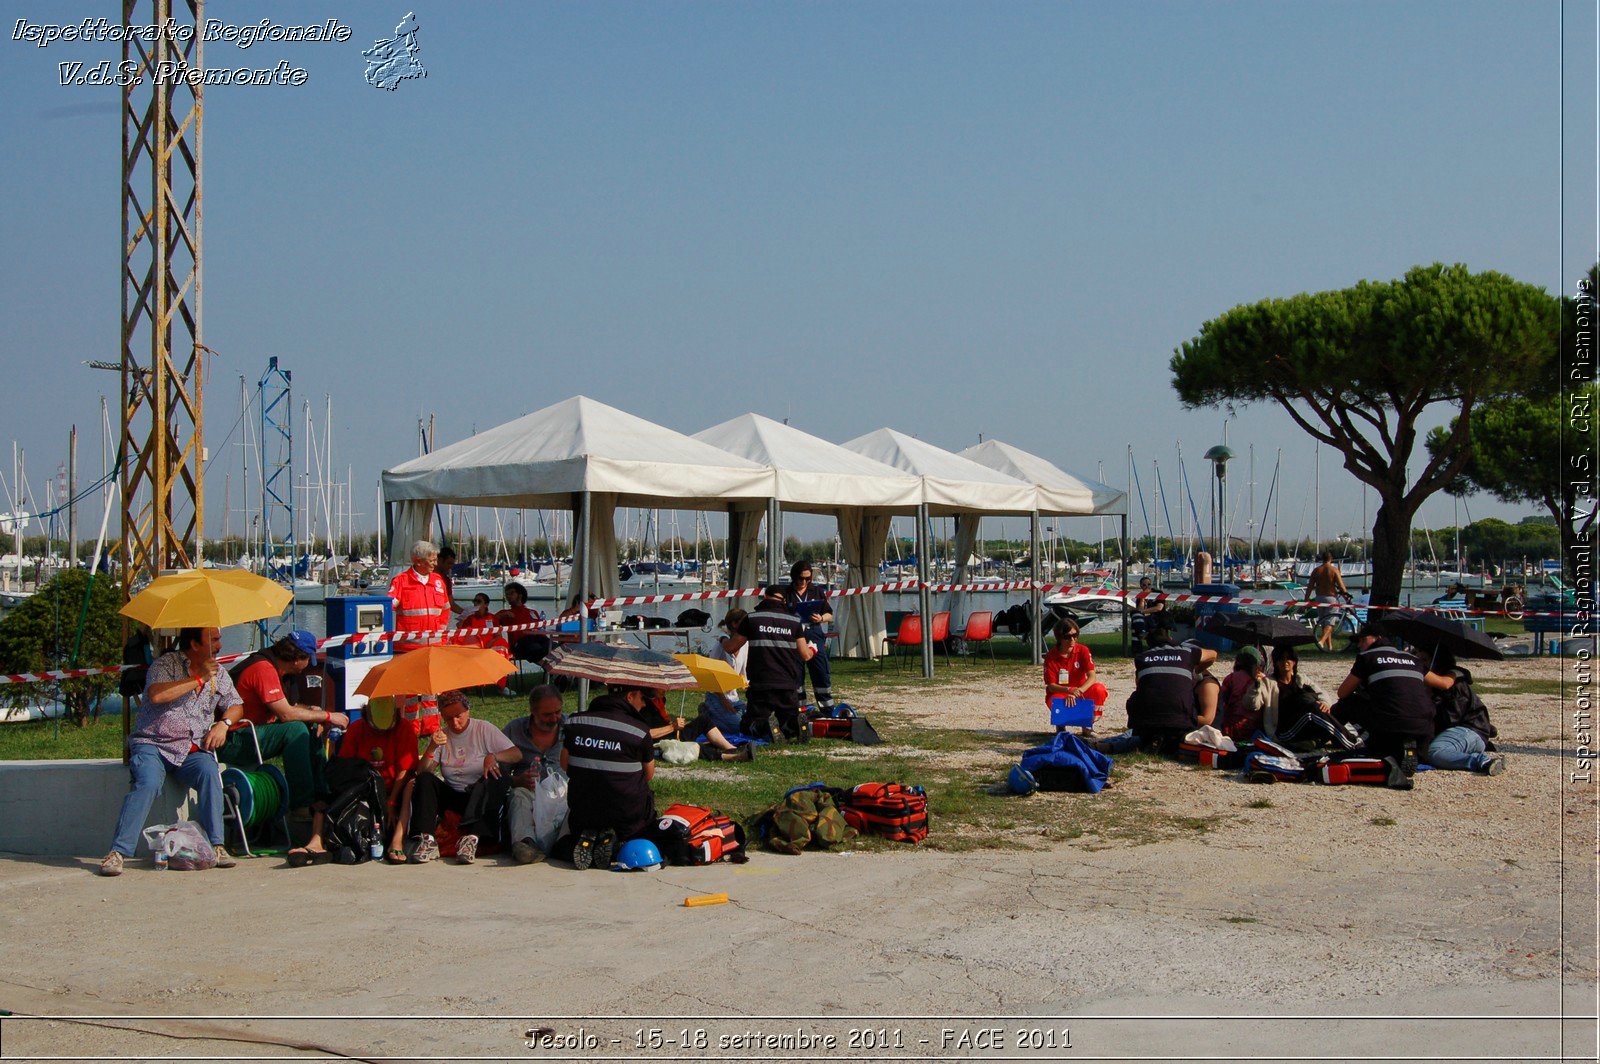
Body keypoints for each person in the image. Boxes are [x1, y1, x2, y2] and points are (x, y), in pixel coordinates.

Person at [100, 627, 240, 876]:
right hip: (153, 743)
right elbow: (156, 695)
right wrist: (198, 680)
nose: (220, 646)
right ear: (195, 645)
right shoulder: (165, 664)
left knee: (209, 773)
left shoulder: (220, 674)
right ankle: (118, 852)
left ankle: (217, 845)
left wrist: (224, 724)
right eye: (214, 640)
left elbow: (236, 704)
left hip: (190, 748)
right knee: (149, 783)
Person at [225, 631, 346, 821]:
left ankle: (322, 797)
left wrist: (315, 715)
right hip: (234, 739)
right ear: (298, 659)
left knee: (310, 727)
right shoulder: (263, 669)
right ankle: (301, 807)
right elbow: (286, 713)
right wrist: (328, 715)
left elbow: (289, 705)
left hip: (253, 732)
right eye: (308, 660)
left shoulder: (277, 668)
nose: (307, 667)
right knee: (295, 729)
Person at [405, 690, 521, 864]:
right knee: (425, 779)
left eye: (458, 716)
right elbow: (423, 772)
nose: (455, 722)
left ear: (467, 711)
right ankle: (427, 838)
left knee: (497, 776)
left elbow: (516, 754)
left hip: (478, 794)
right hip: (454, 794)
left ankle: (471, 837)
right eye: (449, 718)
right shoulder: (442, 735)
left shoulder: (483, 728)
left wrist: (494, 756)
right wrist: (431, 748)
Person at [558, 684, 660, 869]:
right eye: (643, 699)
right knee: (645, 799)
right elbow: (649, 775)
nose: (644, 705)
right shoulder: (639, 731)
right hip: (626, 818)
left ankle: (589, 837)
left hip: (583, 812)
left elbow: (564, 764)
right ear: (630, 696)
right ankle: (615, 842)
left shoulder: (575, 723)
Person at [1333, 624, 1453, 781]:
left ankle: (1337, 740)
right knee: (1400, 723)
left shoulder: (1367, 658)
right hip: (1424, 726)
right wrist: (1456, 673)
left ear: (1379, 638)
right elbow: (1444, 683)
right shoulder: (1413, 659)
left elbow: (1342, 692)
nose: (1360, 644)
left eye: (1363, 640)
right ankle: (1407, 749)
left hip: (1389, 723)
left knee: (1345, 704)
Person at [721, 584, 815, 742]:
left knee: (749, 724)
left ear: (765, 596)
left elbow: (731, 648)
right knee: (787, 718)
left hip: (761, 684)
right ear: (784, 600)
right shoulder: (794, 621)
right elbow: (805, 655)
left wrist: (723, 640)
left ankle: (763, 726)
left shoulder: (751, 618)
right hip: (787, 684)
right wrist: (814, 649)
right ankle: (794, 726)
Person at [337, 695, 420, 863]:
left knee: (412, 786)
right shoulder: (356, 729)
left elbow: (405, 769)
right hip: (366, 787)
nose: (381, 733)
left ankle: (397, 840)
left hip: (397, 786)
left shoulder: (405, 728)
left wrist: (391, 802)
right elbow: (346, 767)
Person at [1120, 625, 1218, 755]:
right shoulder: (1187, 653)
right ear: (1170, 638)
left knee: (1136, 697)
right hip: (1181, 724)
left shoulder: (1141, 658)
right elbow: (1213, 654)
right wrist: (1194, 671)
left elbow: (1140, 686)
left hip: (1146, 725)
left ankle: (1149, 738)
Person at [387, 539, 451, 731]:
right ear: (418, 560)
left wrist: (439, 629)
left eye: (435, 559)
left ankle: (432, 727)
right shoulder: (401, 581)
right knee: (410, 691)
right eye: (431, 559)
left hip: (434, 645)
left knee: (433, 689)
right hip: (408, 647)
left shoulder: (438, 581)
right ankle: (410, 727)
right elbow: (387, 607)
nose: (435, 563)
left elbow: (445, 608)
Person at [502, 684, 567, 864]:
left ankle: (569, 844)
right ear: (532, 711)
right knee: (518, 795)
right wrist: (517, 781)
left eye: (558, 712)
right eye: (547, 715)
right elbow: (498, 773)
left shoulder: (570, 728)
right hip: (529, 791)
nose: (554, 718)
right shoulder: (514, 730)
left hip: (563, 792)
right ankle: (525, 844)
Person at [1424, 649, 1507, 775]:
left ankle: (1482, 761)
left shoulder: (1454, 682)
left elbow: (1453, 718)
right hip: (1462, 731)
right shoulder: (1435, 682)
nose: (1418, 660)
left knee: (1435, 752)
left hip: (1470, 729)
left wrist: (1430, 701)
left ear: (1437, 661)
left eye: (1424, 659)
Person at [1265, 645, 1362, 749]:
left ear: (1294, 662)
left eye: (1289, 658)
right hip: (1285, 731)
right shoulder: (1268, 682)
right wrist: (1256, 686)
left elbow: (1321, 693)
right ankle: (1352, 742)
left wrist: (1324, 703)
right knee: (1312, 711)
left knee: (1337, 708)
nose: (1285, 662)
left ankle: (1333, 739)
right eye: (1281, 659)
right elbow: (1253, 704)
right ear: (1275, 662)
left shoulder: (1300, 679)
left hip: (1305, 726)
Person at [1043, 617, 1108, 738]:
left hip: (1080, 691)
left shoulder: (1083, 650)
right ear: (1059, 638)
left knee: (1099, 689)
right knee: (1056, 700)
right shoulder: (1051, 656)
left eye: (1075, 635)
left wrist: (1078, 692)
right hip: (1061, 692)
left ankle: (1087, 725)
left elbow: (1092, 676)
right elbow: (1051, 686)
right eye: (1068, 637)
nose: (1072, 639)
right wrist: (1069, 690)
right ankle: (1061, 726)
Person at [782, 560, 834, 709]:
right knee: (796, 674)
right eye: (801, 578)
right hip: (794, 636)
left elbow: (829, 614)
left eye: (807, 579)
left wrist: (821, 618)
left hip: (814, 633)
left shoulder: (817, 591)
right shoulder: (787, 593)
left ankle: (827, 709)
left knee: (820, 672)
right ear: (794, 577)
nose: (804, 582)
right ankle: (799, 710)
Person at [1218, 645, 1269, 739]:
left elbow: (1223, 700)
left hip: (1231, 726)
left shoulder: (1231, 678)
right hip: (1255, 727)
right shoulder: (1263, 679)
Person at [1306, 551, 1352, 651]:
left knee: (1323, 623)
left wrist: (1306, 600)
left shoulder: (1316, 570)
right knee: (1330, 623)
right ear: (1331, 559)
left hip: (1319, 598)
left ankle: (1329, 648)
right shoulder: (1334, 570)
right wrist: (1347, 598)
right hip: (1331, 598)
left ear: (1322, 559)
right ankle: (1322, 642)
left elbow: (1309, 587)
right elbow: (1341, 586)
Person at [496, 581, 550, 663]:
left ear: (520, 595)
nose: (508, 596)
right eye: (507, 594)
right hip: (520, 645)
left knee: (551, 645)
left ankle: (556, 671)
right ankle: (549, 668)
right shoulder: (504, 613)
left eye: (511, 593)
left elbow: (541, 628)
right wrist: (501, 616)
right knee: (535, 647)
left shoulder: (532, 612)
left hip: (536, 639)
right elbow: (489, 622)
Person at [1130, 576, 1166, 652]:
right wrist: (1143, 598)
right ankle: (1141, 633)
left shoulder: (1158, 593)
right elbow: (1140, 609)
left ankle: (1141, 633)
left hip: (1157, 617)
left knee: (1135, 621)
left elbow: (1159, 608)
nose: (1147, 586)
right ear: (1141, 586)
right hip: (1145, 619)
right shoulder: (1140, 596)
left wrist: (1142, 611)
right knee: (1135, 618)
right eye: (1144, 585)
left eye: (1149, 584)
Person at [436, 546, 466, 617]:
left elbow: (451, 604)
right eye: (449, 563)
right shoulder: (427, 576)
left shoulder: (446, 581)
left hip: (440, 624)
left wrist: (467, 613)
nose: (451, 566)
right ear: (440, 560)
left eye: (452, 564)